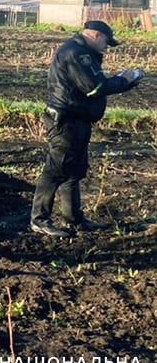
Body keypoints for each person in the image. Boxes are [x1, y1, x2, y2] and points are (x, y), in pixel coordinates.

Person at [30, 20, 144, 237]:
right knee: (55, 170)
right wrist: (125, 80)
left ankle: (74, 218)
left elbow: (95, 83)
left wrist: (123, 80)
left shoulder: (81, 51)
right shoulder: (76, 54)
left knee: (73, 171)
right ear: (95, 35)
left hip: (78, 119)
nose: (106, 47)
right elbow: (95, 87)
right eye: (106, 42)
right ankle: (39, 219)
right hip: (67, 121)